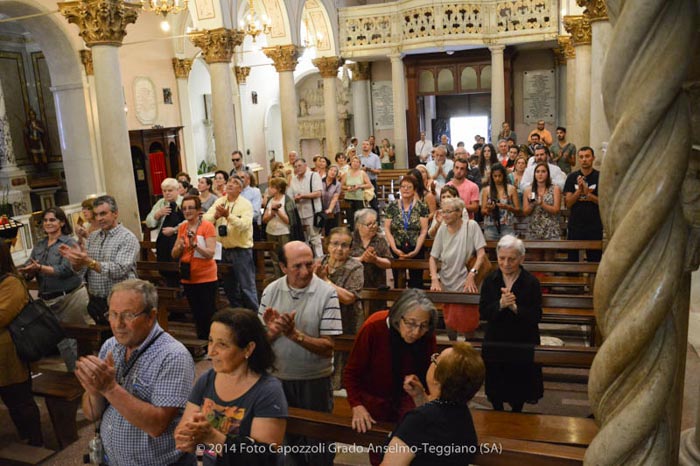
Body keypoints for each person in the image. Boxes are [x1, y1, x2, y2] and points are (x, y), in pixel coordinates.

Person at [74, 279, 195, 465]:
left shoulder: (173, 356)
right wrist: (93, 390)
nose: (118, 324)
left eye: (128, 315)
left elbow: (157, 426)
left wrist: (110, 388)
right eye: (113, 314)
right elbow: (92, 414)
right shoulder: (111, 346)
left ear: (151, 316)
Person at [258, 241, 342, 466]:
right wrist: (274, 331)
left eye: (309, 264)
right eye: (297, 266)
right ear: (283, 267)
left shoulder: (327, 294)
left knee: (319, 447)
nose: (305, 272)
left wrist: (295, 335)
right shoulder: (271, 290)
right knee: (286, 446)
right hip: (277, 381)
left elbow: (328, 346)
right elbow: (259, 343)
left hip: (314, 381)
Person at [174, 309, 287, 466]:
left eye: (222, 344)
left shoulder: (268, 391)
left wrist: (214, 437)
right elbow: (183, 429)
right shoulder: (207, 379)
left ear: (248, 349)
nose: (211, 351)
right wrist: (186, 437)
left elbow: (264, 458)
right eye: (211, 340)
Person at [344, 289, 437, 465]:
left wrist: (419, 389)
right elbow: (351, 372)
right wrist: (356, 405)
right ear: (398, 317)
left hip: (409, 399)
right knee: (380, 455)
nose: (416, 332)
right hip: (375, 400)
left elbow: (429, 375)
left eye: (423, 325)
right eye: (411, 323)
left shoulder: (427, 334)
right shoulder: (374, 326)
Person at [382, 342, 485, 466]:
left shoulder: (420, 419)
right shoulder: (461, 413)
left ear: (438, 379)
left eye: (436, 359)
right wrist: (420, 397)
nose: (432, 360)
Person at [479, 235, 543, 412]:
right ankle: (497, 408)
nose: (506, 263)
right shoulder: (490, 280)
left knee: (519, 387)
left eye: (511, 259)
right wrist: (500, 305)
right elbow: (483, 312)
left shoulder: (531, 282)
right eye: (501, 258)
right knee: (495, 386)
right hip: (496, 339)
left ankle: (517, 410)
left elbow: (536, 316)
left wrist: (515, 308)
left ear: (521, 259)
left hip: (522, 340)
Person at [59, 195, 139, 325]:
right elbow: (83, 271)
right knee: (105, 341)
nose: (99, 218)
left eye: (103, 214)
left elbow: (119, 270)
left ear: (115, 213)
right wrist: (77, 263)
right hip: (97, 300)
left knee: (127, 339)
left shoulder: (127, 238)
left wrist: (89, 262)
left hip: (122, 299)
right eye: (96, 215)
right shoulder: (93, 237)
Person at [0, 242, 43, 447]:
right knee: (10, 400)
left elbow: (2, 316)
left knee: (21, 399)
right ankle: (24, 436)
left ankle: (36, 441)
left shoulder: (11, 283)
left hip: (11, 353)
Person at [430, 197, 487, 340]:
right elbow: (433, 257)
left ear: (459, 212)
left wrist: (472, 274)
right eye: (443, 212)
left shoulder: (471, 225)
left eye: (448, 212)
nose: (445, 215)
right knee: (450, 318)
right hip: (447, 279)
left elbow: (481, 254)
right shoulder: (442, 228)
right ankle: (452, 347)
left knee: (468, 318)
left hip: (467, 279)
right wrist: (434, 279)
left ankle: (469, 349)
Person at [316, 227, 364, 389]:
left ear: (350, 248)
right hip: (321, 318)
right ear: (327, 245)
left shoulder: (355, 267)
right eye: (335, 244)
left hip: (347, 319)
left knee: (344, 364)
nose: (339, 249)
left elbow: (349, 297)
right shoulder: (319, 263)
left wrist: (325, 281)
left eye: (345, 245)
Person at [204, 175, 259, 311]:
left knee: (247, 286)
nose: (230, 184)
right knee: (229, 287)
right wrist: (216, 216)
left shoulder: (245, 204)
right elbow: (205, 219)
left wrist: (228, 216)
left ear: (240, 189)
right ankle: (238, 315)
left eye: (234, 183)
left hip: (241, 250)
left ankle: (255, 317)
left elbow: (244, 225)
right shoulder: (220, 202)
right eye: (229, 182)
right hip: (223, 250)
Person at [172, 195, 218, 340]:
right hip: (188, 276)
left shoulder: (207, 226)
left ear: (198, 210)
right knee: (196, 313)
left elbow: (211, 253)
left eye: (191, 208)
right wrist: (179, 247)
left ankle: (212, 341)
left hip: (206, 277)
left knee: (208, 313)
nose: (187, 211)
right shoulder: (182, 227)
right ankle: (202, 342)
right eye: (184, 208)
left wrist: (195, 245)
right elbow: (174, 254)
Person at [384, 174, 429, 289]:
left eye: (409, 187)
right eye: (403, 187)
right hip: (397, 247)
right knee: (398, 282)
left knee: (416, 282)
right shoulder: (392, 206)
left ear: (414, 190)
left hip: (416, 247)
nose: (405, 189)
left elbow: (424, 231)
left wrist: (416, 250)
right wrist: (394, 248)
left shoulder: (421, 206)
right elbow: (387, 229)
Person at [564, 147, 602, 262]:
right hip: (576, 225)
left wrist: (588, 194)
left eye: (587, 156)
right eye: (581, 157)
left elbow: (604, 203)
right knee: (573, 260)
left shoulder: (600, 177)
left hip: (594, 225)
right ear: (578, 159)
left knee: (595, 260)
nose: (584, 159)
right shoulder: (571, 177)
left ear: (593, 158)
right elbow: (568, 203)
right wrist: (579, 191)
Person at [145, 178, 184, 287]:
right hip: (163, 241)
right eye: (164, 191)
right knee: (165, 269)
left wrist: (175, 229)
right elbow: (149, 222)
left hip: (179, 240)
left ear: (177, 190)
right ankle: (171, 288)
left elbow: (190, 222)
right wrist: (157, 215)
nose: (167, 193)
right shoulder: (160, 203)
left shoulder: (183, 202)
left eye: (170, 190)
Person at [289, 157, 324, 257]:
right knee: (303, 239)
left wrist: (303, 196)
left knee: (315, 239)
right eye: (295, 167)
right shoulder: (294, 179)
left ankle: (319, 260)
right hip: (299, 213)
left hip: (312, 212)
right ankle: (307, 260)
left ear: (305, 166)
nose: (297, 168)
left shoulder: (314, 176)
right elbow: (291, 195)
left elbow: (318, 193)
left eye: (299, 166)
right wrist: (294, 198)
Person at [350, 209, 392, 290]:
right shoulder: (350, 239)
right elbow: (342, 260)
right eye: (369, 224)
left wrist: (375, 260)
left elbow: (389, 263)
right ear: (359, 225)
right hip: (353, 286)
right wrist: (361, 259)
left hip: (377, 287)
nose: (374, 226)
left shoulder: (380, 239)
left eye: (375, 223)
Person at [262, 177, 295, 278]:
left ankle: (289, 278)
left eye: (272, 187)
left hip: (284, 232)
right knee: (275, 259)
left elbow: (289, 220)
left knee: (286, 257)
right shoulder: (270, 200)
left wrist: (278, 211)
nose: (269, 189)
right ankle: (278, 279)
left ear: (279, 188)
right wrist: (272, 213)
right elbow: (264, 219)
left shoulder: (287, 200)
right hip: (271, 232)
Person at [523, 162, 562, 240]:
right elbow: (525, 212)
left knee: (550, 252)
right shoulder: (528, 190)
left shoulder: (555, 189)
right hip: (534, 228)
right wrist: (532, 204)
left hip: (551, 228)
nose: (540, 174)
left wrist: (542, 204)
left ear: (548, 174)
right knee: (534, 252)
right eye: (537, 171)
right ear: (534, 174)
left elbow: (556, 210)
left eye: (543, 171)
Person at [481, 163, 520, 240]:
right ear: (492, 176)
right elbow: (482, 211)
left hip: (507, 226)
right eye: (495, 176)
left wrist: (507, 207)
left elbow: (518, 210)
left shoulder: (511, 189)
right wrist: (489, 209)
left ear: (504, 176)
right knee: (491, 250)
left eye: (500, 176)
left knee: (509, 249)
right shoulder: (486, 190)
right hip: (490, 226)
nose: (497, 178)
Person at [342, 154, 372, 231]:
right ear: (350, 163)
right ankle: (352, 233)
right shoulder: (346, 174)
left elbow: (369, 185)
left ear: (359, 164)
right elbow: (341, 186)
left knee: (359, 218)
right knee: (350, 218)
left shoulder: (362, 173)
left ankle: (360, 233)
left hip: (359, 198)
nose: (355, 163)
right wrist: (347, 187)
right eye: (353, 161)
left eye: (357, 162)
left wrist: (360, 186)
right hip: (349, 198)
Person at [238, 170, 263, 241]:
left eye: (242, 177)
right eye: (238, 178)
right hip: (237, 227)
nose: (240, 180)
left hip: (251, 225)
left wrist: (242, 219)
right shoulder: (235, 192)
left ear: (248, 179)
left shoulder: (255, 191)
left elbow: (256, 212)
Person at [23, 108, 49, 173]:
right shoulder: (28, 124)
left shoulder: (39, 123)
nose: (32, 116)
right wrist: (26, 131)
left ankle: (45, 169)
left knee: (43, 154)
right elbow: (27, 134)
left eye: (33, 114)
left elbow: (43, 131)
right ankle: (38, 169)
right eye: (30, 115)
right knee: (35, 155)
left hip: (39, 140)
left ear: (35, 115)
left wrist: (36, 128)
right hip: (32, 142)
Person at [359, 140, 381, 213]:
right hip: (360, 183)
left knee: (374, 204)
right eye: (363, 144)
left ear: (370, 146)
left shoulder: (375, 157)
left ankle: (376, 221)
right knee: (360, 204)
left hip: (371, 181)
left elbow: (378, 171)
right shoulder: (358, 157)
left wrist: (368, 169)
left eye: (367, 144)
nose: (365, 146)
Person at [321, 165, 342, 235]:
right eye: (331, 170)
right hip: (321, 209)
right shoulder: (320, 181)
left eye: (335, 171)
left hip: (333, 210)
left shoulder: (338, 184)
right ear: (327, 171)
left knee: (333, 232)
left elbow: (335, 198)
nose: (332, 172)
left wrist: (330, 209)